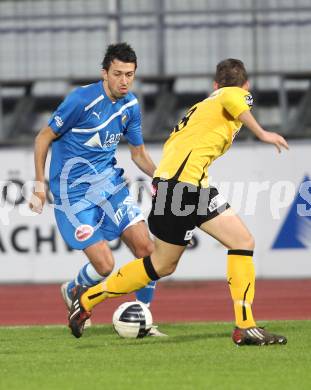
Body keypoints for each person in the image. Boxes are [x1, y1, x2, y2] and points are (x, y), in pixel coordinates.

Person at [68, 58, 289, 346]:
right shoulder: (232, 94)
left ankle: (87, 299)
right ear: (245, 85)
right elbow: (236, 100)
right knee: (164, 264)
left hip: (184, 186)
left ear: (213, 84)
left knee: (233, 244)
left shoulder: (200, 107)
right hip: (183, 188)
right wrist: (262, 133)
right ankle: (87, 298)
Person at [29, 42, 166, 336]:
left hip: (109, 185)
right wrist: (40, 186)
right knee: (105, 265)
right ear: (104, 73)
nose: (124, 81)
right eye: (117, 73)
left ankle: (144, 319)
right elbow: (43, 138)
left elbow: (138, 154)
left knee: (147, 249)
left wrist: (162, 178)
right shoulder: (80, 100)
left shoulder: (131, 105)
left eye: (130, 74)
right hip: (73, 195)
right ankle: (75, 289)